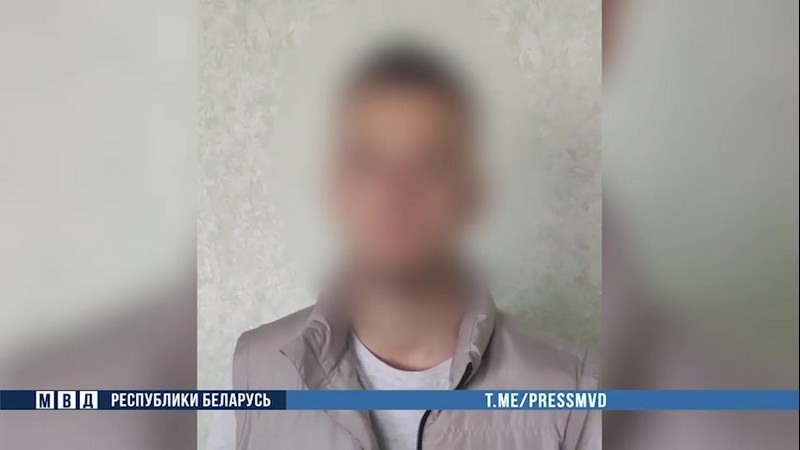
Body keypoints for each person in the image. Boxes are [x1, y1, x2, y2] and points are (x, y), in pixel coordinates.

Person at [232, 45, 599, 450]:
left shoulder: (573, 390)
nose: (395, 195)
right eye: (369, 163)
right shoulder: (254, 370)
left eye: (430, 164)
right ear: (336, 189)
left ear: (472, 194)